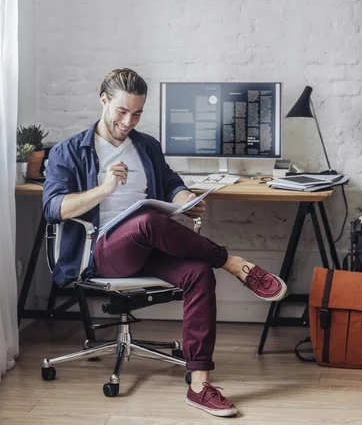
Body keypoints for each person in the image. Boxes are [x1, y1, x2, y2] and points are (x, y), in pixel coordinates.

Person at [43, 68, 287, 418]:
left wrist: (186, 198)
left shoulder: (146, 146)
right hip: (100, 253)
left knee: (199, 272)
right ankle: (233, 262)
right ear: (103, 101)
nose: (129, 121)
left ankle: (200, 385)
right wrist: (104, 189)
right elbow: (53, 209)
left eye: (137, 113)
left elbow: (171, 182)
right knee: (147, 221)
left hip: (148, 248)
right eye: (122, 112)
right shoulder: (69, 151)